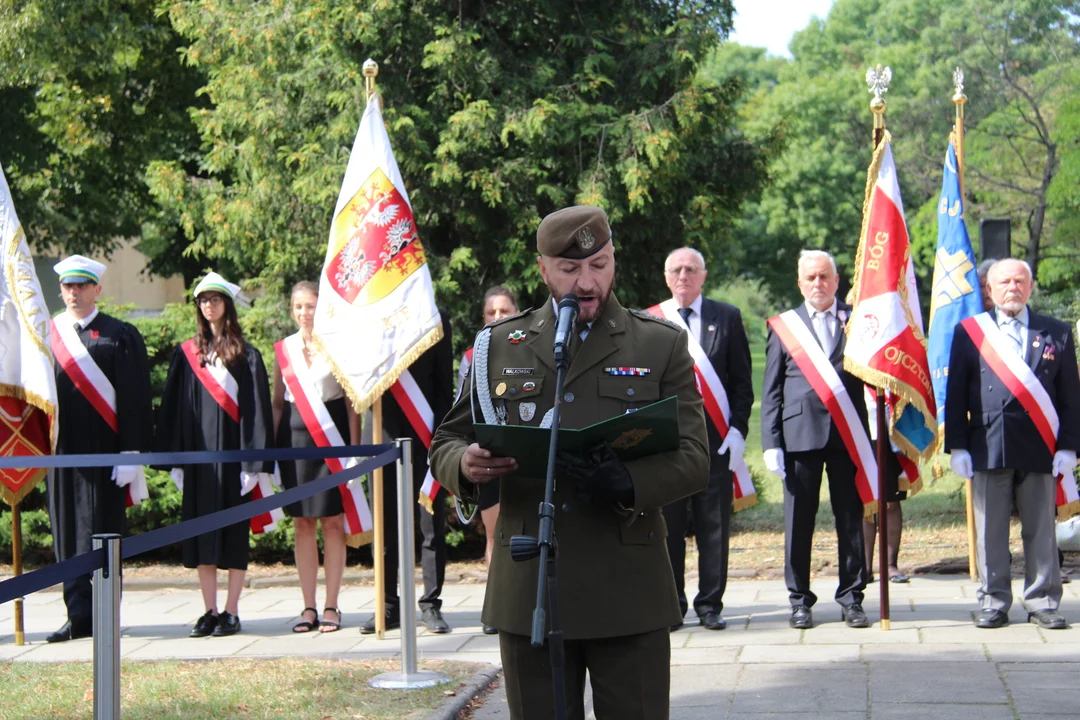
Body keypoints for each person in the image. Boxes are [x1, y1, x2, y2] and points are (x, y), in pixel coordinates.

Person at [429, 205, 709, 719]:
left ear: (614, 262)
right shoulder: (499, 346)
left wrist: (627, 482)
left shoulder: (659, 343)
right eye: (569, 269)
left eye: (599, 265)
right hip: (531, 583)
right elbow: (446, 440)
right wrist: (465, 465)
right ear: (542, 269)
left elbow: (694, 458)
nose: (587, 282)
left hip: (627, 585)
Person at [945, 258, 1080, 630]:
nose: (1013, 288)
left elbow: (1071, 398)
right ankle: (993, 600)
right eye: (1005, 282)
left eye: (1020, 282)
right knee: (990, 530)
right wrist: (957, 446)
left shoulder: (1056, 333)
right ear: (989, 288)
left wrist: (1069, 447)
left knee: (1040, 527)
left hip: (1040, 445)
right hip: (989, 443)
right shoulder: (970, 332)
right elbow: (955, 394)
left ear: (1031, 287)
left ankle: (1043, 600)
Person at [155, 272, 274, 638]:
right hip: (199, 463)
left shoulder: (246, 355)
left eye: (216, 299)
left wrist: (254, 464)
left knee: (234, 536)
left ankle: (231, 611)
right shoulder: (187, 354)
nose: (209, 305)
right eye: (204, 299)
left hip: (234, 463)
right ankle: (208, 611)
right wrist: (174, 460)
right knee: (202, 537)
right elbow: (172, 409)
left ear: (227, 305)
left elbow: (256, 410)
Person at [761, 250, 871, 630]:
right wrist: (771, 442)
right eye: (810, 278)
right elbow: (772, 389)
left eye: (825, 277)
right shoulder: (783, 326)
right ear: (800, 283)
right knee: (798, 522)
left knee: (850, 520)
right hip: (799, 436)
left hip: (848, 435)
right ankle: (799, 600)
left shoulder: (857, 321)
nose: (818, 284)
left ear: (837, 281)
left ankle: (852, 598)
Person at [45, 255, 153, 642]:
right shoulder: (48, 333)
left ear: (96, 290)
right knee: (68, 535)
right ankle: (76, 617)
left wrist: (131, 454)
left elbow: (136, 397)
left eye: (81, 286)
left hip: (107, 454)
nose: (74, 293)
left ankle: (105, 615)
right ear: (61, 290)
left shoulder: (118, 334)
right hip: (63, 454)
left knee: (104, 534)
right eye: (68, 287)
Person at [652, 247, 752, 632]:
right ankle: (672, 603)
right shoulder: (651, 321)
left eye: (691, 269)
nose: (683, 276)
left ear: (703, 275)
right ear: (666, 277)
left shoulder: (727, 317)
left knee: (714, 528)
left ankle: (710, 604)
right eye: (676, 270)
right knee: (669, 529)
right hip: (668, 447)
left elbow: (742, 383)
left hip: (716, 445)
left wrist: (739, 430)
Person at [359, 310, 455, 635]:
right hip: (382, 433)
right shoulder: (369, 315)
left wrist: (442, 440)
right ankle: (387, 605)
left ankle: (430, 604)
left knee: (430, 526)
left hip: (426, 434)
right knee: (384, 528)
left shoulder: (432, 314)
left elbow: (444, 387)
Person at [272, 281, 358, 633]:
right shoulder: (284, 349)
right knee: (302, 523)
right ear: (292, 310)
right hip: (294, 443)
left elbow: (352, 403)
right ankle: (308, 607)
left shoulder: (338, 346)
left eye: (310, 306)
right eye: (299, 307)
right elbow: (277, 402)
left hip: (332, 439)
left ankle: (332, 606)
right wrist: (271, 456)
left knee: (333, 521)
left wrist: (354, 452)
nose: (304, 313)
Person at [455, 286, 520, 635]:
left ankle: (526, 602)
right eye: (491, 313)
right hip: (489, 454)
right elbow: (460, 410)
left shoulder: (530, 350)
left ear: (517, 314)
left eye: (505, 311)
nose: (497, 318)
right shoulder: (471, 356)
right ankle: (498, 607)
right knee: (496, 535)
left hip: (527, 452)